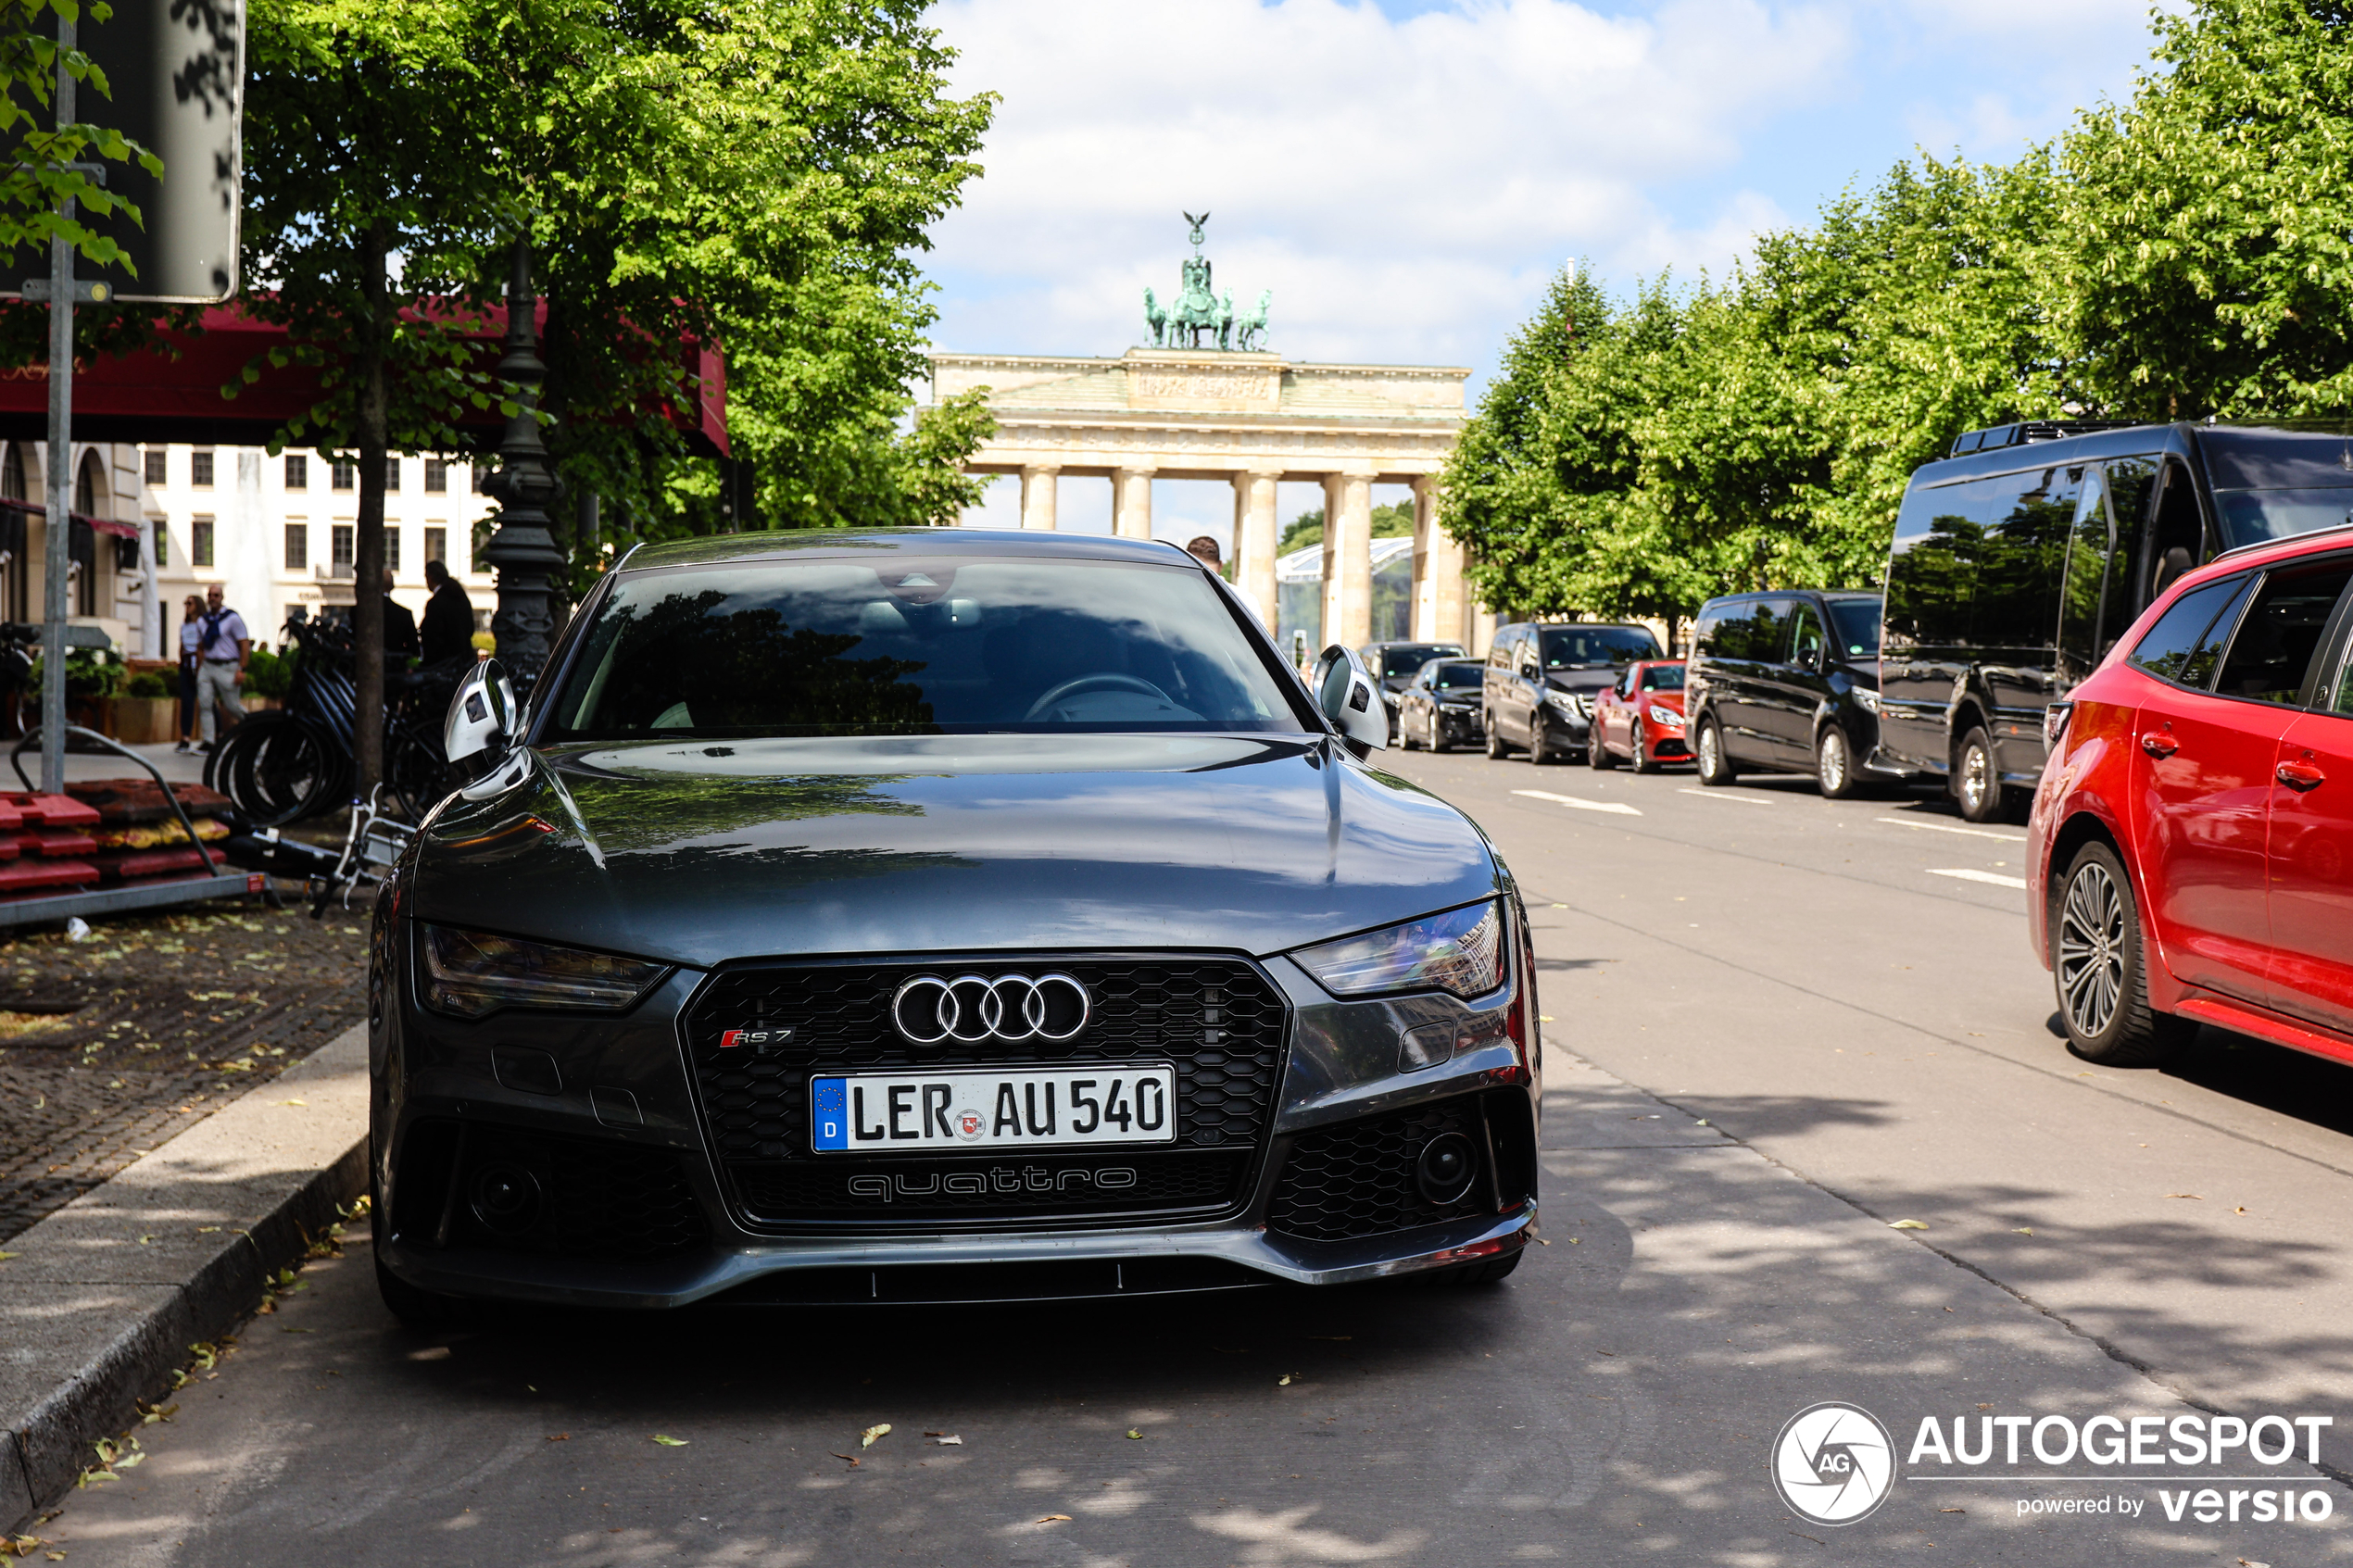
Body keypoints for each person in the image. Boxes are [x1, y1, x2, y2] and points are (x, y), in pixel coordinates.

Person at [193, 583, 248, 752]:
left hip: (227, 666)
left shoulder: (232, 619)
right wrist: (199, 669)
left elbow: (244, 645)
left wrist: (242, 669)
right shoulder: (203, 621)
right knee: (205, 704)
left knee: (232, 706)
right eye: (210, 595)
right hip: (208, 666)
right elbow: (201, 646)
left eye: (216, 595)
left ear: (222, 598)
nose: (213, 598)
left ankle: (253, 726)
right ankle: (209, 741)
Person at [420, 558, 474, 667]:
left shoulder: (436, 603)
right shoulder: (461, 597)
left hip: (444, 665)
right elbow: (470, 628)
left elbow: (433, 637)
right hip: (465, 661)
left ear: (430, 578)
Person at [174, 594, 203, 753]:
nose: (187, 606)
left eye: (189, 603)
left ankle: (216, 735)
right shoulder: (184, 626)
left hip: (199, 665)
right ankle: (185, 737)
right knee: (186, 702)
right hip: (186, 665)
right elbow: (182, 645)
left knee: (207, 702)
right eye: (186, 603)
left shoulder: (203, 624)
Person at [381, 570, 420, 662]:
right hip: (396, 667)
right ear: (392, 587)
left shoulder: (356, 611)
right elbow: (414, 649)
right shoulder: (404, 614)